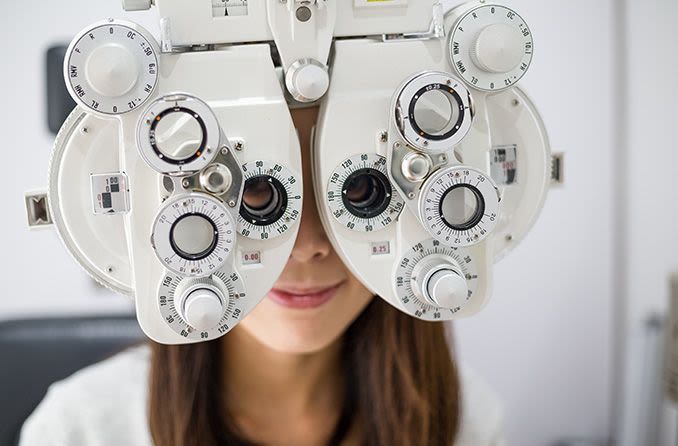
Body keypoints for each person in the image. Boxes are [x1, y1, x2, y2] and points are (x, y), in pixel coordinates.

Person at [19, 106, 505, 446]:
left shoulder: (463, 418)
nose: (309, 245)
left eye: (358, 188)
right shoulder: (82, 430)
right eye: (256, 192)